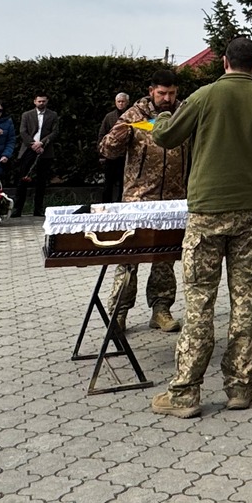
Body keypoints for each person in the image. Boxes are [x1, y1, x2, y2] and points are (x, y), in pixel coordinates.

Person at [146, 38, 252, 417]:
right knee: (245, 301)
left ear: (225, 63)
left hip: (207, 212)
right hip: (251, 213)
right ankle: (240, 387)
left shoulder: (203, 97)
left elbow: (165, 137)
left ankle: (185, 394)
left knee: (200, 302)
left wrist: (164, 114)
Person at [100, 73, 189, 333]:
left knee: (166, 259)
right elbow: (107, 151)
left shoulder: (184, 114)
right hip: (138, 199)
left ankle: (161, 310)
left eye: (171, 93)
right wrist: (117, 135)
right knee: (129, 258)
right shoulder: (134, 115)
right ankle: (118, 313)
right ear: (151, 91)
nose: (167, 98)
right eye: (162, 93)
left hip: (173, 199)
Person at [13, 94, 60, 216]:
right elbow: (23, 131)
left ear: (47, 101)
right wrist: (33, 144)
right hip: (29, 149)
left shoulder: (52, 115)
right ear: (34, 102)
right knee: (22, 180)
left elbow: (55, 132)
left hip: (45, 151)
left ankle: (38, 209)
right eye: (39, 101)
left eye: (43, 101)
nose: (41, 103)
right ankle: (17, 209)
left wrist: (42, 143)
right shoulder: (27, 115)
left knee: (41, 181)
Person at [98, 92, 131, 205]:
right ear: (115, 102)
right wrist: (101, 154)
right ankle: (106, 203)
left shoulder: (132, 116)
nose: (121, 104)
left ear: (127, 103)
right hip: (111, 155)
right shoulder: (109, 117)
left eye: (123, 101)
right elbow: (102, 134)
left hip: (126, 155)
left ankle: (121, 202)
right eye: (119, 101)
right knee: (108, 183)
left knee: (124, 182)